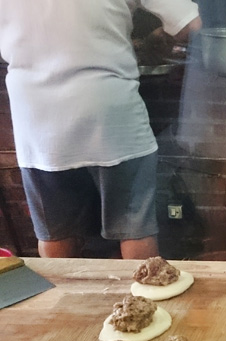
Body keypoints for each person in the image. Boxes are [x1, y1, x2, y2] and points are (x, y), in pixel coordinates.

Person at [0, 0, 202, 259]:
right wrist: (155, 37)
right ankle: (144, 298)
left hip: (37, 118)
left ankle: (64, 299)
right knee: (134, 229)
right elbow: (192, 23)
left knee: (56, 231)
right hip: (110, 113)